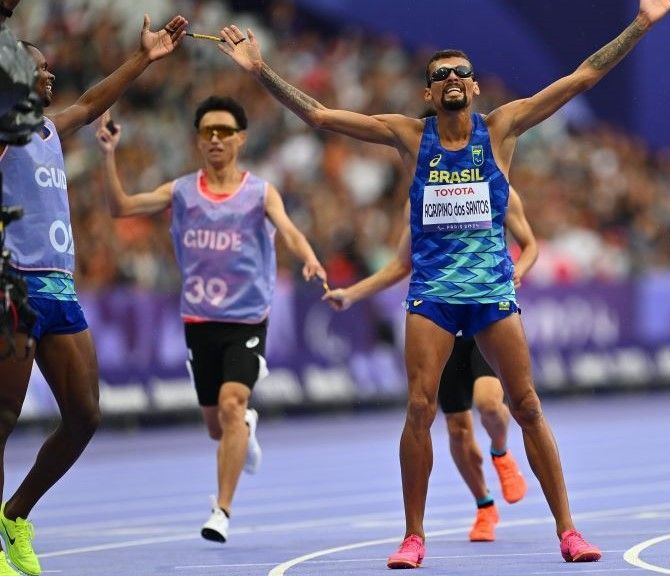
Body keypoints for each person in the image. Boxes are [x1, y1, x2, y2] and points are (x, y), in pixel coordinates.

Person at [218, 0, 670, 566]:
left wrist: (641, 23)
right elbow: (320, 116)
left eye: (461, 72)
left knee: (527, 406)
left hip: (491, 293)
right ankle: (413, 535)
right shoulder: (410, 137)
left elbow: (582, 77)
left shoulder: (504, 127)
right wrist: (260, 69)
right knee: (420, 409)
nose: (453, 80)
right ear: (428, 94)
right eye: (440, 76)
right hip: (435, 296)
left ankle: (568, 530)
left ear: (474, 86)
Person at [0, 15, 187, 576]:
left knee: (84, 416)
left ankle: (15, 515)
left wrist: (145, 59)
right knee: (3, 419)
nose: (49, 74)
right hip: (13, 283)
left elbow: (92, 99)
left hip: (59, 286)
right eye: (39, 68)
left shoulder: (48, 130)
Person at [94, 96, 326, 540]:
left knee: (232, 403)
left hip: (247, 319)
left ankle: (221, 509)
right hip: (199, 320)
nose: (216, 138)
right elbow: (120, 207)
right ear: (199, 141)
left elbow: (290, 231)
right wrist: (108, 155)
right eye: (207, 132)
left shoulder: (260, 191)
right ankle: (244, 428)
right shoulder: (180, 191)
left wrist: (309, 258)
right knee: (217, 426)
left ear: (241, 138)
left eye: (224, 131)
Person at [323, 186, 537, 542]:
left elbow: (530, 244)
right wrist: (352, 294)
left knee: (489, 405)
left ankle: (500, 452)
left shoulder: (497, 185)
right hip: (440, 319)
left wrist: (519, 271)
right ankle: (484, 506)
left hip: (485, 312)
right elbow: (400, 263)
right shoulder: (421, 195)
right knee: (456, 429)